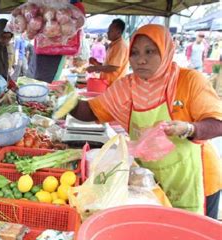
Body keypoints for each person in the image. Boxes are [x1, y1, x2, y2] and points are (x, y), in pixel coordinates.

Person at [68, 24, 221, 218]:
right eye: (135, 53)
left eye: (150, 51)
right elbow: (90, 110)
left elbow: (217, 123)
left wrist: (189, 128)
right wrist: (67, 101)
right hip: (148, 182)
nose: (141, 60)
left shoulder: (189, 80)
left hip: (195, 179)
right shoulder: (127, 86)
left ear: (166, 50)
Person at [87, 19, 128, 86]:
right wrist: (96, 63)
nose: (107, 32)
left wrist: (95, 68)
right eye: (108, 30)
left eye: (110, 31)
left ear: (118, 32)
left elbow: (113, 68)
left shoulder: (120, 46)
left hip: (115, 86)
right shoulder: (113, 45)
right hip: (108, 84)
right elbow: (108, 66)